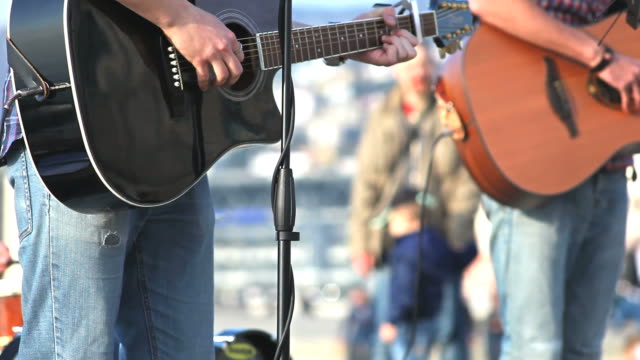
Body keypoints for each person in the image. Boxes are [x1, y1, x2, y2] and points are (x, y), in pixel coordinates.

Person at [0, 0, 419, 359]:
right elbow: (193, 26)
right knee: (74, 350)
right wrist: (178, 19)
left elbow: (230, 29)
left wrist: (347, 40)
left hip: (176, 157)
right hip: (85, 132)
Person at [465, 0, 640, 358]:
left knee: (585, 348)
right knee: (536, 349)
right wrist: (603, 60)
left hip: (610, 162)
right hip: (537, 158)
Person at [348, 43, 480, 360]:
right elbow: (366, 184)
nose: (419, 74)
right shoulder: (382, 116)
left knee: (448, 329)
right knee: (389, 326)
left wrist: (458, 235)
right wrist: (361, 243)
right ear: (397, 72)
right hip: (390, 238)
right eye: (411, 67)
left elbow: (465, 180)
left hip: (440, 237)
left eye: (425, 66)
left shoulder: (452, 110)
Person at [377, 188, 476, 360]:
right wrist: (471, 246)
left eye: (393, 221)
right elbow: (459, 259)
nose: (389, 227)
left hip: (409, 320)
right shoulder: (437, 243)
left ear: (409, 220)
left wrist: (392, 320)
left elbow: (404, 288)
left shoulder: (406, 251)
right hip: (431, 316)